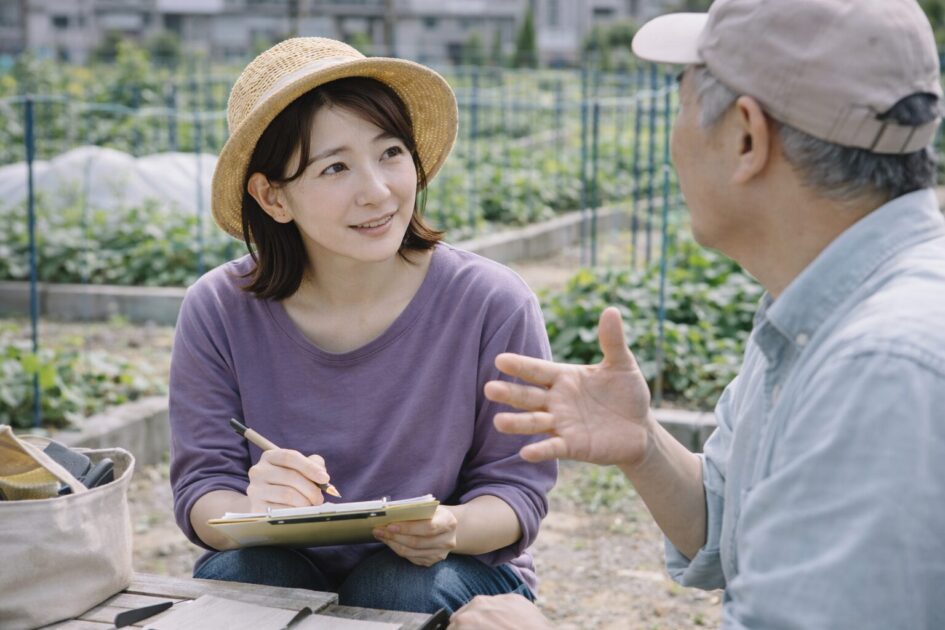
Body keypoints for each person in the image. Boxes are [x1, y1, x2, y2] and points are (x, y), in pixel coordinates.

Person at [450, 0, 945, 628]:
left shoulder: (883, 369)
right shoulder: (824, 307)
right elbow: (727, 526)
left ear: (746, 136)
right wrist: (643, 445)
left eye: (680, 103)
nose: (673, 140)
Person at [168, 37, 556, 615]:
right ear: (272, 196)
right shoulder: (219, 310)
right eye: (336, 167)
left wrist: (450, 525)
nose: (377, 191)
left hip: (451, 569)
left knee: (393, 588)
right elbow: (203, 489)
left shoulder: (492, 303)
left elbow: (517, 491)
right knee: (249, 575)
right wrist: (251, 512)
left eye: (391, 153)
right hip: (279, 562)